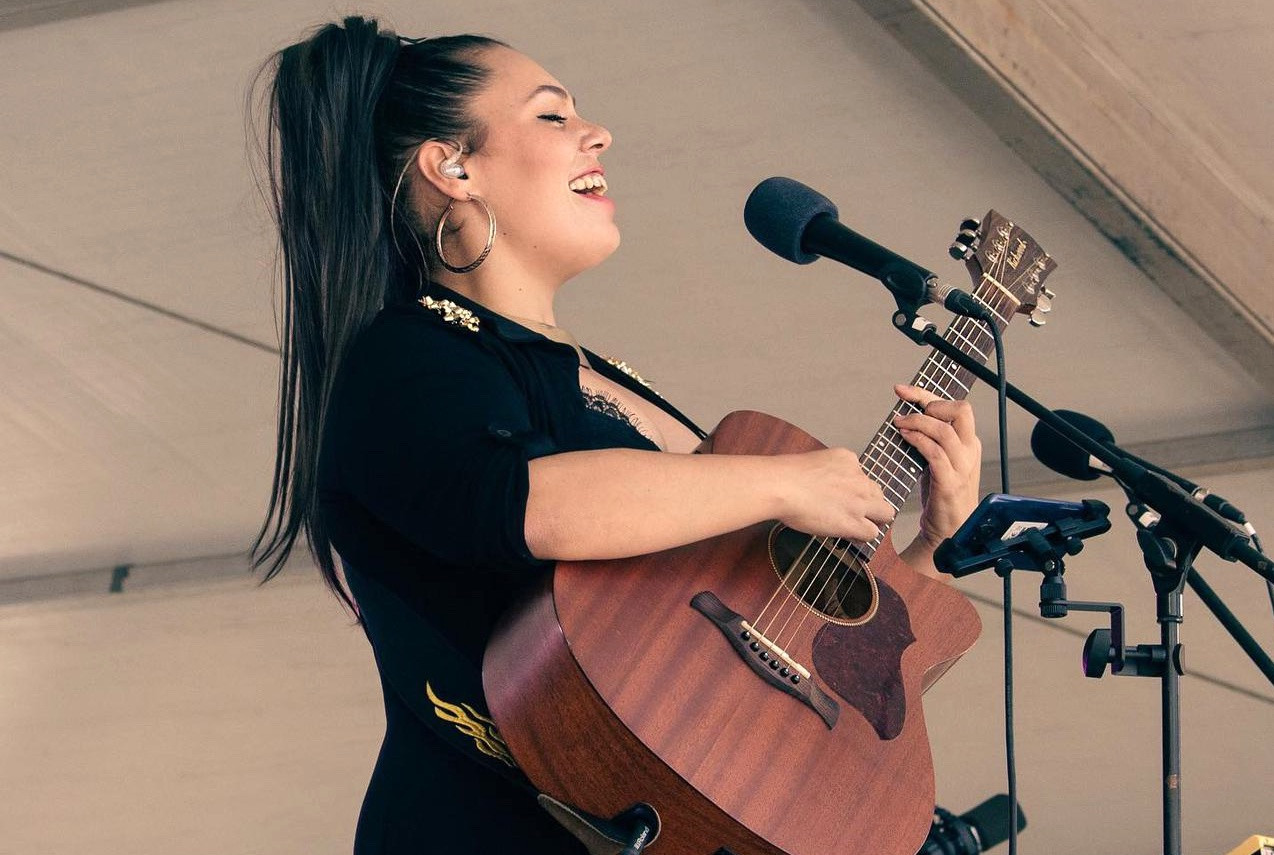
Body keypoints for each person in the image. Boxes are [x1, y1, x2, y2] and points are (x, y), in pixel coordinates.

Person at [249, 15, 981, 854]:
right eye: (554, 116)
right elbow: (519, 500)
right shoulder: (406, 354)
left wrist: (930, 546)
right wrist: (786, 482)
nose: (600, 133)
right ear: (451, 166)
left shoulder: (603, 378)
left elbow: (813, 673)